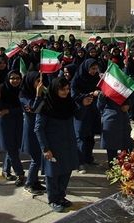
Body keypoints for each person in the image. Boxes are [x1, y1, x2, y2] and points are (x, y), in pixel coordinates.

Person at [34, 76, 79, 212]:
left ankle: (61, 196)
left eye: (67, 89)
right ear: (54, 89)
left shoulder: (69, 103)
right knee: (52, 174)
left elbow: (79, 115)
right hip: (52, 145)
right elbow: (38, 128)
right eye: (62, 89)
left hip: (68, 143)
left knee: (66, 170)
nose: (65, 92)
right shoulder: (45, 105)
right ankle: (53, 199)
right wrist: (45, 148)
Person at [0, 71, 25, 186]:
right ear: (8, 79)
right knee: (11, 149)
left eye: (18, 78)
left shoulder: (22, 90)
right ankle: (20, 174)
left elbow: (23, 108)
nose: (15, 80)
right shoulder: (1, 89)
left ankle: (5, 170)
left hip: (17, 122)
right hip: (5, 124)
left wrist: (9, 111)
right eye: (12, 78)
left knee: (13, 148)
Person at [70, 59, 101, 173]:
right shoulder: (77, 79)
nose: (94, 71)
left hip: (93, 110)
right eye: (92, 69)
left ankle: (88, 158)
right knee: (81, 137)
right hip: (80, 111)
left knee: (90, 136)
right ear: (86, 68)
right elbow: (73, 95)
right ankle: (80, 163)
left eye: (96, 68)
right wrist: (88, 95)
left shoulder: (96, 78)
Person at [19, 71, 46, 195]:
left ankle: (35, 181)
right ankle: (29, 183)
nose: (40, 83)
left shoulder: (40, 92)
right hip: (31, 130)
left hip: (39, 129)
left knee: (39, 157)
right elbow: (34, 109)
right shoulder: (23, 96)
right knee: (36, 159)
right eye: (37, 81)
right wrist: (38, 94)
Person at [97, 92, 134, 166]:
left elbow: (100, 106)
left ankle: (123, 169)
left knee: (123, 146)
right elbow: (100, 106)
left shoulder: (121, 88)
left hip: (118, 119)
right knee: (114, 148)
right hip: (112, 119)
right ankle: (117, 168)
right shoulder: (107, 89)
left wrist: (128, 105)